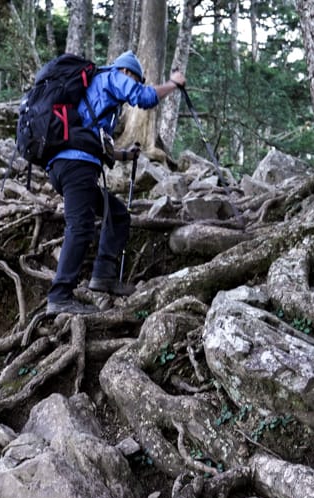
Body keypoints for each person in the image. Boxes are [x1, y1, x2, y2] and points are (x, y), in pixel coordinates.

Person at [45, 50, 186, 315]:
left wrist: (124, 155)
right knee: (80, 226)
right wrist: (173, 84)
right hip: (76, 166)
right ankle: (59, 297)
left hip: (68, 166)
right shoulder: (113, 77)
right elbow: (144, 97)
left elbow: (99, 146)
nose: (133, 82)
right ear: (128, 73)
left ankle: (103, 277)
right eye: (134, 78)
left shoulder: (98, 95)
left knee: (118, 215)